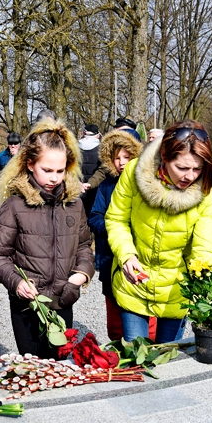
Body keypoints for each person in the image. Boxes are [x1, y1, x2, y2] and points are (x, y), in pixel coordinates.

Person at [105, 120, 212, 343]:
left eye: (197, 168)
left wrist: (208, 290)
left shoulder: (209, 189)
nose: (190, 176)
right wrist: (126, 255)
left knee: (166, 361)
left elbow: (204, 247)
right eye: (182, 168)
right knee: (136, 359)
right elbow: (116, 219)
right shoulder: (133, 172)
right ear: (165, 157)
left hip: (177, 290)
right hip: (135, 284)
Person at [0, 118, 94, 358]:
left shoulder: (74, 204)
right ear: (30, 164)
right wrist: (17, 283)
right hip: (27, 305)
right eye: (47, 170)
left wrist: (80, 276)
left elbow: (84, 246)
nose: (54, 178)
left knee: (58, 367)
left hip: (63, 299)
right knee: (34, 368)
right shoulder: (15, 205)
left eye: (60, 171)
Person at [88, 128, 142, 340]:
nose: (121, 162)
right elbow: (95, 217)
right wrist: (116, 228)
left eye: (126, 157)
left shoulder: (145, 185)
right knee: (115, 321)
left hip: (139, 258)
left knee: (143, 314)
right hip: (111, 257)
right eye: (116, 158)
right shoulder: (106, 185)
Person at [78, 124, 105, 216]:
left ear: (83, 133)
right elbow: (103, 171)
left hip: (78, 188)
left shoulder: (74, 148)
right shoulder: (102, 149)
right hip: (95, 188)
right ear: (97, 135)